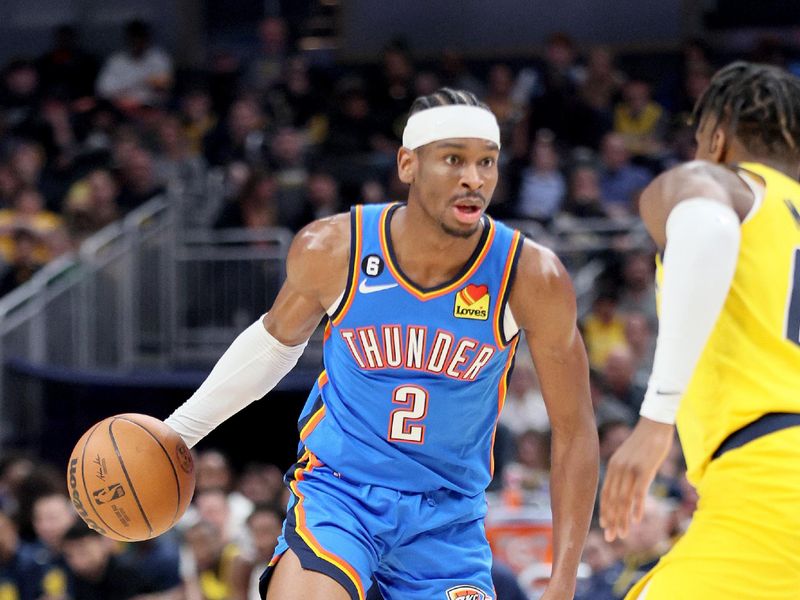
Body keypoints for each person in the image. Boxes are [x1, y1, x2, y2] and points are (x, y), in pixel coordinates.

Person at [165, 88, 598, 600]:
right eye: (454, 159)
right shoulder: (335, 248)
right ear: (407, 164)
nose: (473, 179)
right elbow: (272, 347)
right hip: (341, 495)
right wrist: (176, 432)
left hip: (447, 518)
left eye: (487, 162)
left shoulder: (529, 275)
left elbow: (574, 432)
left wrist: (563, 582)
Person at [600, 61, 800, 599]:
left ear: (714, 137)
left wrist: (656, 419)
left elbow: (705, 219)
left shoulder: (730, 185)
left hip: (771, 483)